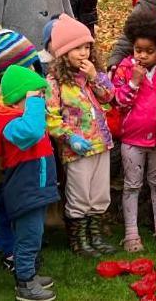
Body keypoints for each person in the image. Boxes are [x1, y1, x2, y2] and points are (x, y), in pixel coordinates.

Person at [0, 24, 44, 271]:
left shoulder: (21, 93)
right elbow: (12, 136)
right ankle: (4, 243)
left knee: (13, 204)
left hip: (20, 164)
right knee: (0, 200)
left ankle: (18, 244)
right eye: (28, 66)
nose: (33, 71)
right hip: (3, 165)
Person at [44, 15, 117, 257]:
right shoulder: (54, 82)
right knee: (79, 193)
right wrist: (69, 137)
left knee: (99, 192)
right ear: (64, 51)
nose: (84, 53)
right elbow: (51, 117)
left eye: (87, 47)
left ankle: (95, 235)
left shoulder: (89, 76)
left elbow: (108, 97)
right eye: (77, 48)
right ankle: (79, 239)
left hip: (101, 143)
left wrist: (96, 76)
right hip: (77, 148)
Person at [0, 66, 59, 301]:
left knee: (34, 234)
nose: (41, 100)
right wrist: (35, 103)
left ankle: (31, 273)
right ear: (21, 98)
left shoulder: (21, 117)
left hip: (36, 187)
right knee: (28, 237)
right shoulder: (9, 124)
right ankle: (25, 283)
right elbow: (33, 131)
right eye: (36, 95)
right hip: (25, 190)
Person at [109, 10, 156, 252]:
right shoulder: (125, 69)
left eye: (149, 51)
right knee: (132, 185)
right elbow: (118, 101)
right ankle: (131, 233)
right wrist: (134, 83)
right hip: (133, 139)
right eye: (139, 50)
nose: (143, 56)